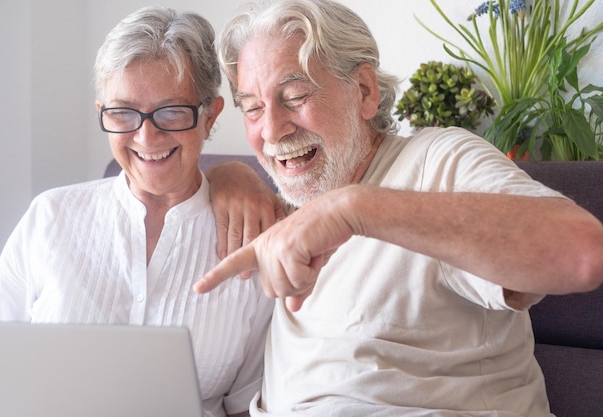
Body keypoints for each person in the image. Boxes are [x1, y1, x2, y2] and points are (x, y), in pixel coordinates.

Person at [194, 0, 603, 416]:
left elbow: (582, 250)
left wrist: (355, 208)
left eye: (295, 96)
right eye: (253, 109)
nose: (272, 130)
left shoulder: (437, 160)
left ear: (365, 92)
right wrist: (231, 173)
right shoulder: (287, 204)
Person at [0, 6, 278, 417]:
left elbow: (250, 405)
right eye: (122, 112)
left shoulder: (253, 243)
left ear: (210, 116)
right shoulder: (51, 217)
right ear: (102, 110)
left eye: (172, 111)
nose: (146, 135)